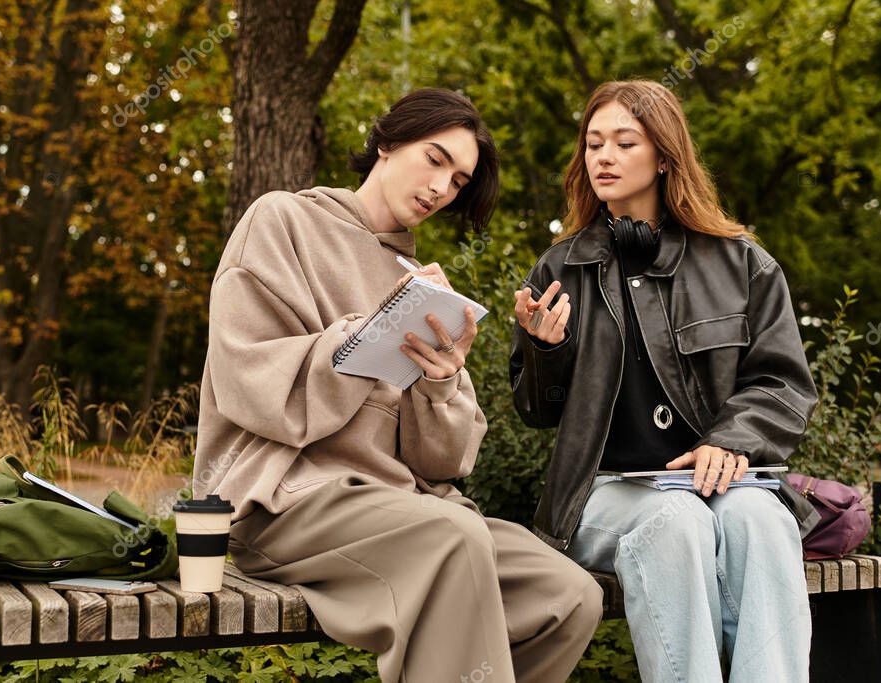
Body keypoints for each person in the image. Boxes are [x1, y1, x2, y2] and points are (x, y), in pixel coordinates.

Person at [193, 88, 603, 683]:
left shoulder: (424, 287)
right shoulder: (282, 220)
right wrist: (366, 333)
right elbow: (247, 380)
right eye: (436, 160)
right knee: (455, 538)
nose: (442, 188)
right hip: (283, 501)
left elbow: (442, 461)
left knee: (567, 596)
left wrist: (439, 385)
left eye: (459, 181)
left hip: (403, 508)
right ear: (386, 143)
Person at [510, 80, 820, 682]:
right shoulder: (560, 266)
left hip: (720, 486)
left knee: (764, 520)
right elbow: (535, 411)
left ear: (664, 156)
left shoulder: (743, 263)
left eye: (625, 143)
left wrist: (733, 441)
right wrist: (545, 350)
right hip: (604, 494)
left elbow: (783, 382)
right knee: (675, 523)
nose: (603, 156)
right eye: (594, 143)